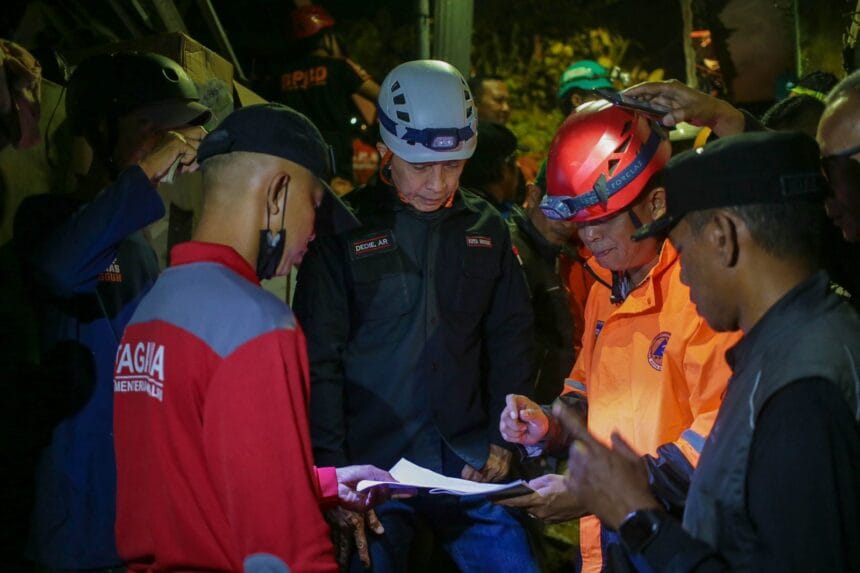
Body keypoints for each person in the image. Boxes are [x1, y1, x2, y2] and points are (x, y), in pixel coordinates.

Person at [556, 130, 860, 572]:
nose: (681, 275)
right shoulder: (793, 348)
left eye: (681, 249)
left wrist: (637, 518)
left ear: (722, 235)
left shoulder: (803, 394)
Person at [112, 103, 395, 572]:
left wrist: (319, 482)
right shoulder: (255, 323)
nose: (313, 235)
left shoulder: (154, 306)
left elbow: (193, 474)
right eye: (315, 208)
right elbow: (287, 550)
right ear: (279, 194)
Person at [293, 59, 538, 572]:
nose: (437, 183)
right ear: (386, 148)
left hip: (466, 463)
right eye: (420, 166)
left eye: (452, 166)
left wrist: (501, 436)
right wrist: (335, 475)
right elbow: (319, 360)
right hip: (375, 473)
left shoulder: (487, 228)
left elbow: (510, 335)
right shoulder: (345, 230)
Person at [499, 101, 740, 573]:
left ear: (656, 202)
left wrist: (603, 490)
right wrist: (549, 427)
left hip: (682, 541)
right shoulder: (604, 288)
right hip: (614, 541)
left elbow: (720, 437)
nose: (589, 236)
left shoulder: (701, 291)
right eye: (582, 222)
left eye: (603, 218)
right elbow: (586, 391)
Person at [13, 51, 210, 572]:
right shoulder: (47, 221)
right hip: (73, 523)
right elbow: (61, 267)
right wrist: (144, 171)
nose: (168, 147)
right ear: (101, 129)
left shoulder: (136, 244)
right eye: (152, 129)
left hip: (130, 521)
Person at [460, 121, 576, 403]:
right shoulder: (509, 247)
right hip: (522, 413)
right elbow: (509, 342)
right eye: (563, 203)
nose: (572, 218)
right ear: (534, 195)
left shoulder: (558, 249)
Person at [263, 4, 380, 193]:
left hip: (293, 159)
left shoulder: (280, 77)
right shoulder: (339, 68)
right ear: (326, 38)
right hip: (335, 162)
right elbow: (382, 95)